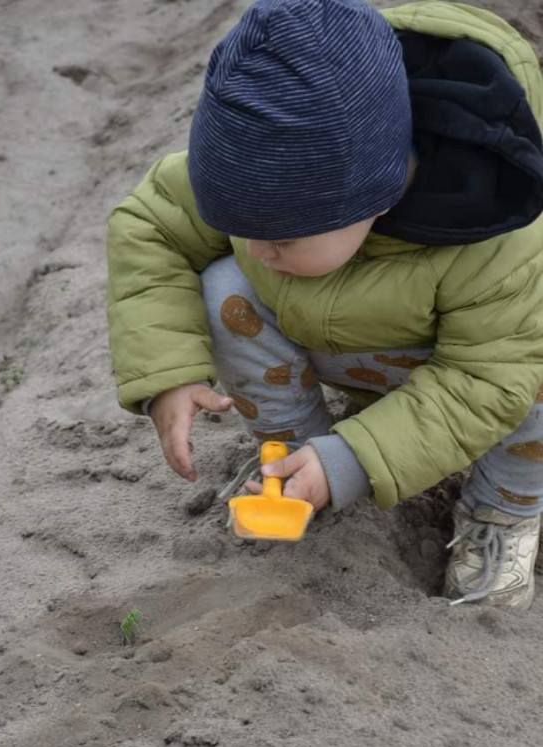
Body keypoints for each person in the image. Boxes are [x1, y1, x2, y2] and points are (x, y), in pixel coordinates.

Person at [107, 0, 543, 610]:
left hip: (485, 372)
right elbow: (149, 227)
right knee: (225, 287)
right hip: (357, 345)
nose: (257, 249)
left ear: (378, 197)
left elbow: (489, 377)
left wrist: (356, 458)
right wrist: (168, 371)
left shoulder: (495, 235)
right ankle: (290, 462)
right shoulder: (267, 168)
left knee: (534, 377)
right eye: (234, 222)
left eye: (280, 237)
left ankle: (505, 512)